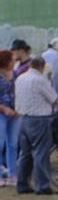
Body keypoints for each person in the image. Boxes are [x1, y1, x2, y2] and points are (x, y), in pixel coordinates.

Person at [14, 56, 58, 194]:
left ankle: (22, 184)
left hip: (23, 118)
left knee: (25, 154)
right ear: (42, 66)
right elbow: (53, 99)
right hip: (39, 119)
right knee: (41, 152)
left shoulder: (20, 78)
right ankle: (42, 185)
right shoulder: (40, 80)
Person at [0, 49, 18, 187]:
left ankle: (13, 174)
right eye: (12, 59)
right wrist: (4, 108)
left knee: (12, 144)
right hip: (2, 112)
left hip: (15, 112)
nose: (14, 62)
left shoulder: (15, 74)